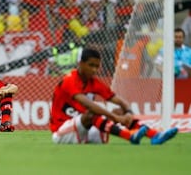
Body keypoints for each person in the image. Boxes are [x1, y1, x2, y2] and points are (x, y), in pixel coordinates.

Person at [49, 47, 178, 145]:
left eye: (97, 66)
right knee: (93, 113)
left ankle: (155, 135)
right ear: (80, 64)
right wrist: (115, 117)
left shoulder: (94, 83)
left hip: (86, 130)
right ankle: (130, 136)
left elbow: (119, 101)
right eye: (91, 65)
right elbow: (89, 105)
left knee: (118, 111)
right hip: (62, 132)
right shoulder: (69, 80)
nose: (94, 70)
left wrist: (127, 112)